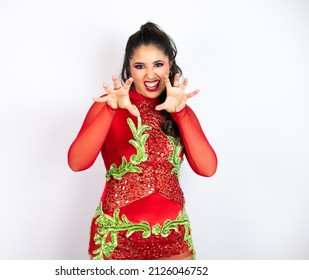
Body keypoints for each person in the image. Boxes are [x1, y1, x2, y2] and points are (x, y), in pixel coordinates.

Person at [68, 22, 217, 260]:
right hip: (117, 241)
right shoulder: (108, 104)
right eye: (140, 66)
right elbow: (77, 162)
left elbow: (208, 168)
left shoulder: (179, 109)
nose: (150, 75)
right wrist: (109, 110)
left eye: (158, 64)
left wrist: (181, 114)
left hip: (173, 240)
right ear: (129, 68)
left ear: (170, 64)